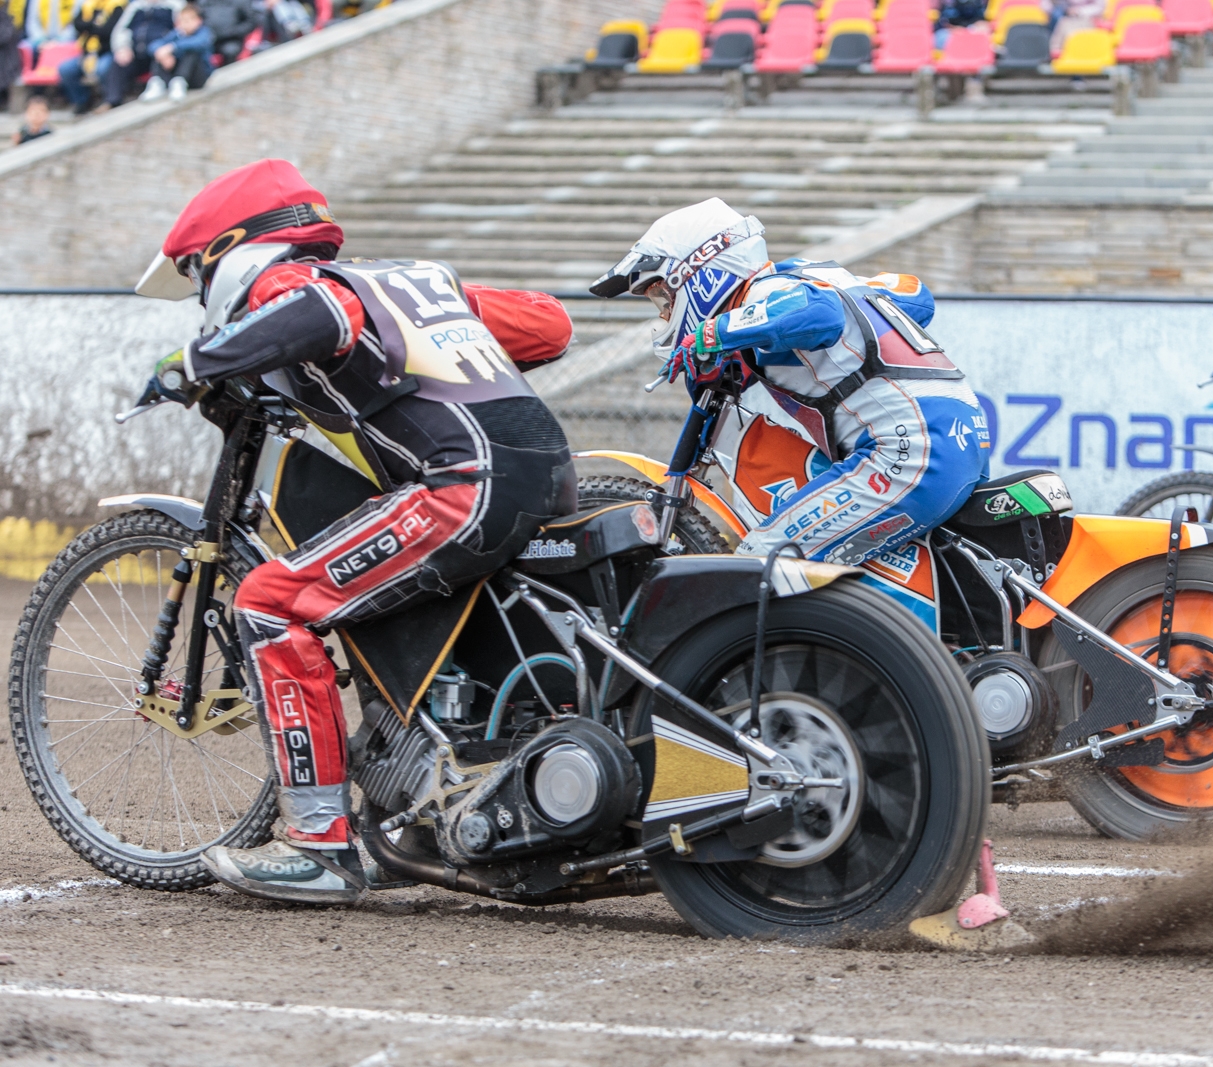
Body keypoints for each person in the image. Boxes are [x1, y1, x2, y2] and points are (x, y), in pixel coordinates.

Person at [134, 159, 576, 903]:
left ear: (230, 253)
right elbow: (551, 324)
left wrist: (195, 362)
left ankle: (317, 846)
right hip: (548, 473)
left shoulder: (306, 290)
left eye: (198, 275)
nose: (206, 297)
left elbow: (317, 316)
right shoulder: (405, 288)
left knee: (270, 599)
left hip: (463, 488)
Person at [589, 198, 991, 568]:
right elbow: (916, 295)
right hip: (962, 434)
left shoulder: (772, 293)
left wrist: (715, 333)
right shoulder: (812, 279)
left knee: (760, 563)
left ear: (700, 272)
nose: (664, 316)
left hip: (908, 451)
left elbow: (822, 314)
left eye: (664, 299)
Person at [101, 0, 180, 106]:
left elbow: (182, 30)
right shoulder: (136, 7)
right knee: (118, 62)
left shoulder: (174, 6)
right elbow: (121, 29)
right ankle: (112, 101)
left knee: (162, 58)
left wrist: (170, 47)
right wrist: (122, 47)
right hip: (136, 52)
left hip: (160, 51)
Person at [55, 0, 126, 114]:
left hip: (106, 51)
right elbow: (77, 24)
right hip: (86, 53)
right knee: (66, 69)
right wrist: (95, 26)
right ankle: (82, 101)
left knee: (103, 69)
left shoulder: (117, 6)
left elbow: (107, 31)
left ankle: (107, 100)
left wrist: (88, 27)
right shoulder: (87, 5)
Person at [139, 2, 211, 99]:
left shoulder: (204, 32)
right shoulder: (176, 34)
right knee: (161, 53)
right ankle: (157, 82)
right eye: (182, 21)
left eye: (188, 20)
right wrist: (163, 53)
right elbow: (154, 45)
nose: (185, 24)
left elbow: (197, 43)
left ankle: (179, 81)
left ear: (198, 20)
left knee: (190, 52)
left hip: (198, 77)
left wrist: (172, 48)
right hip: (175, 73)